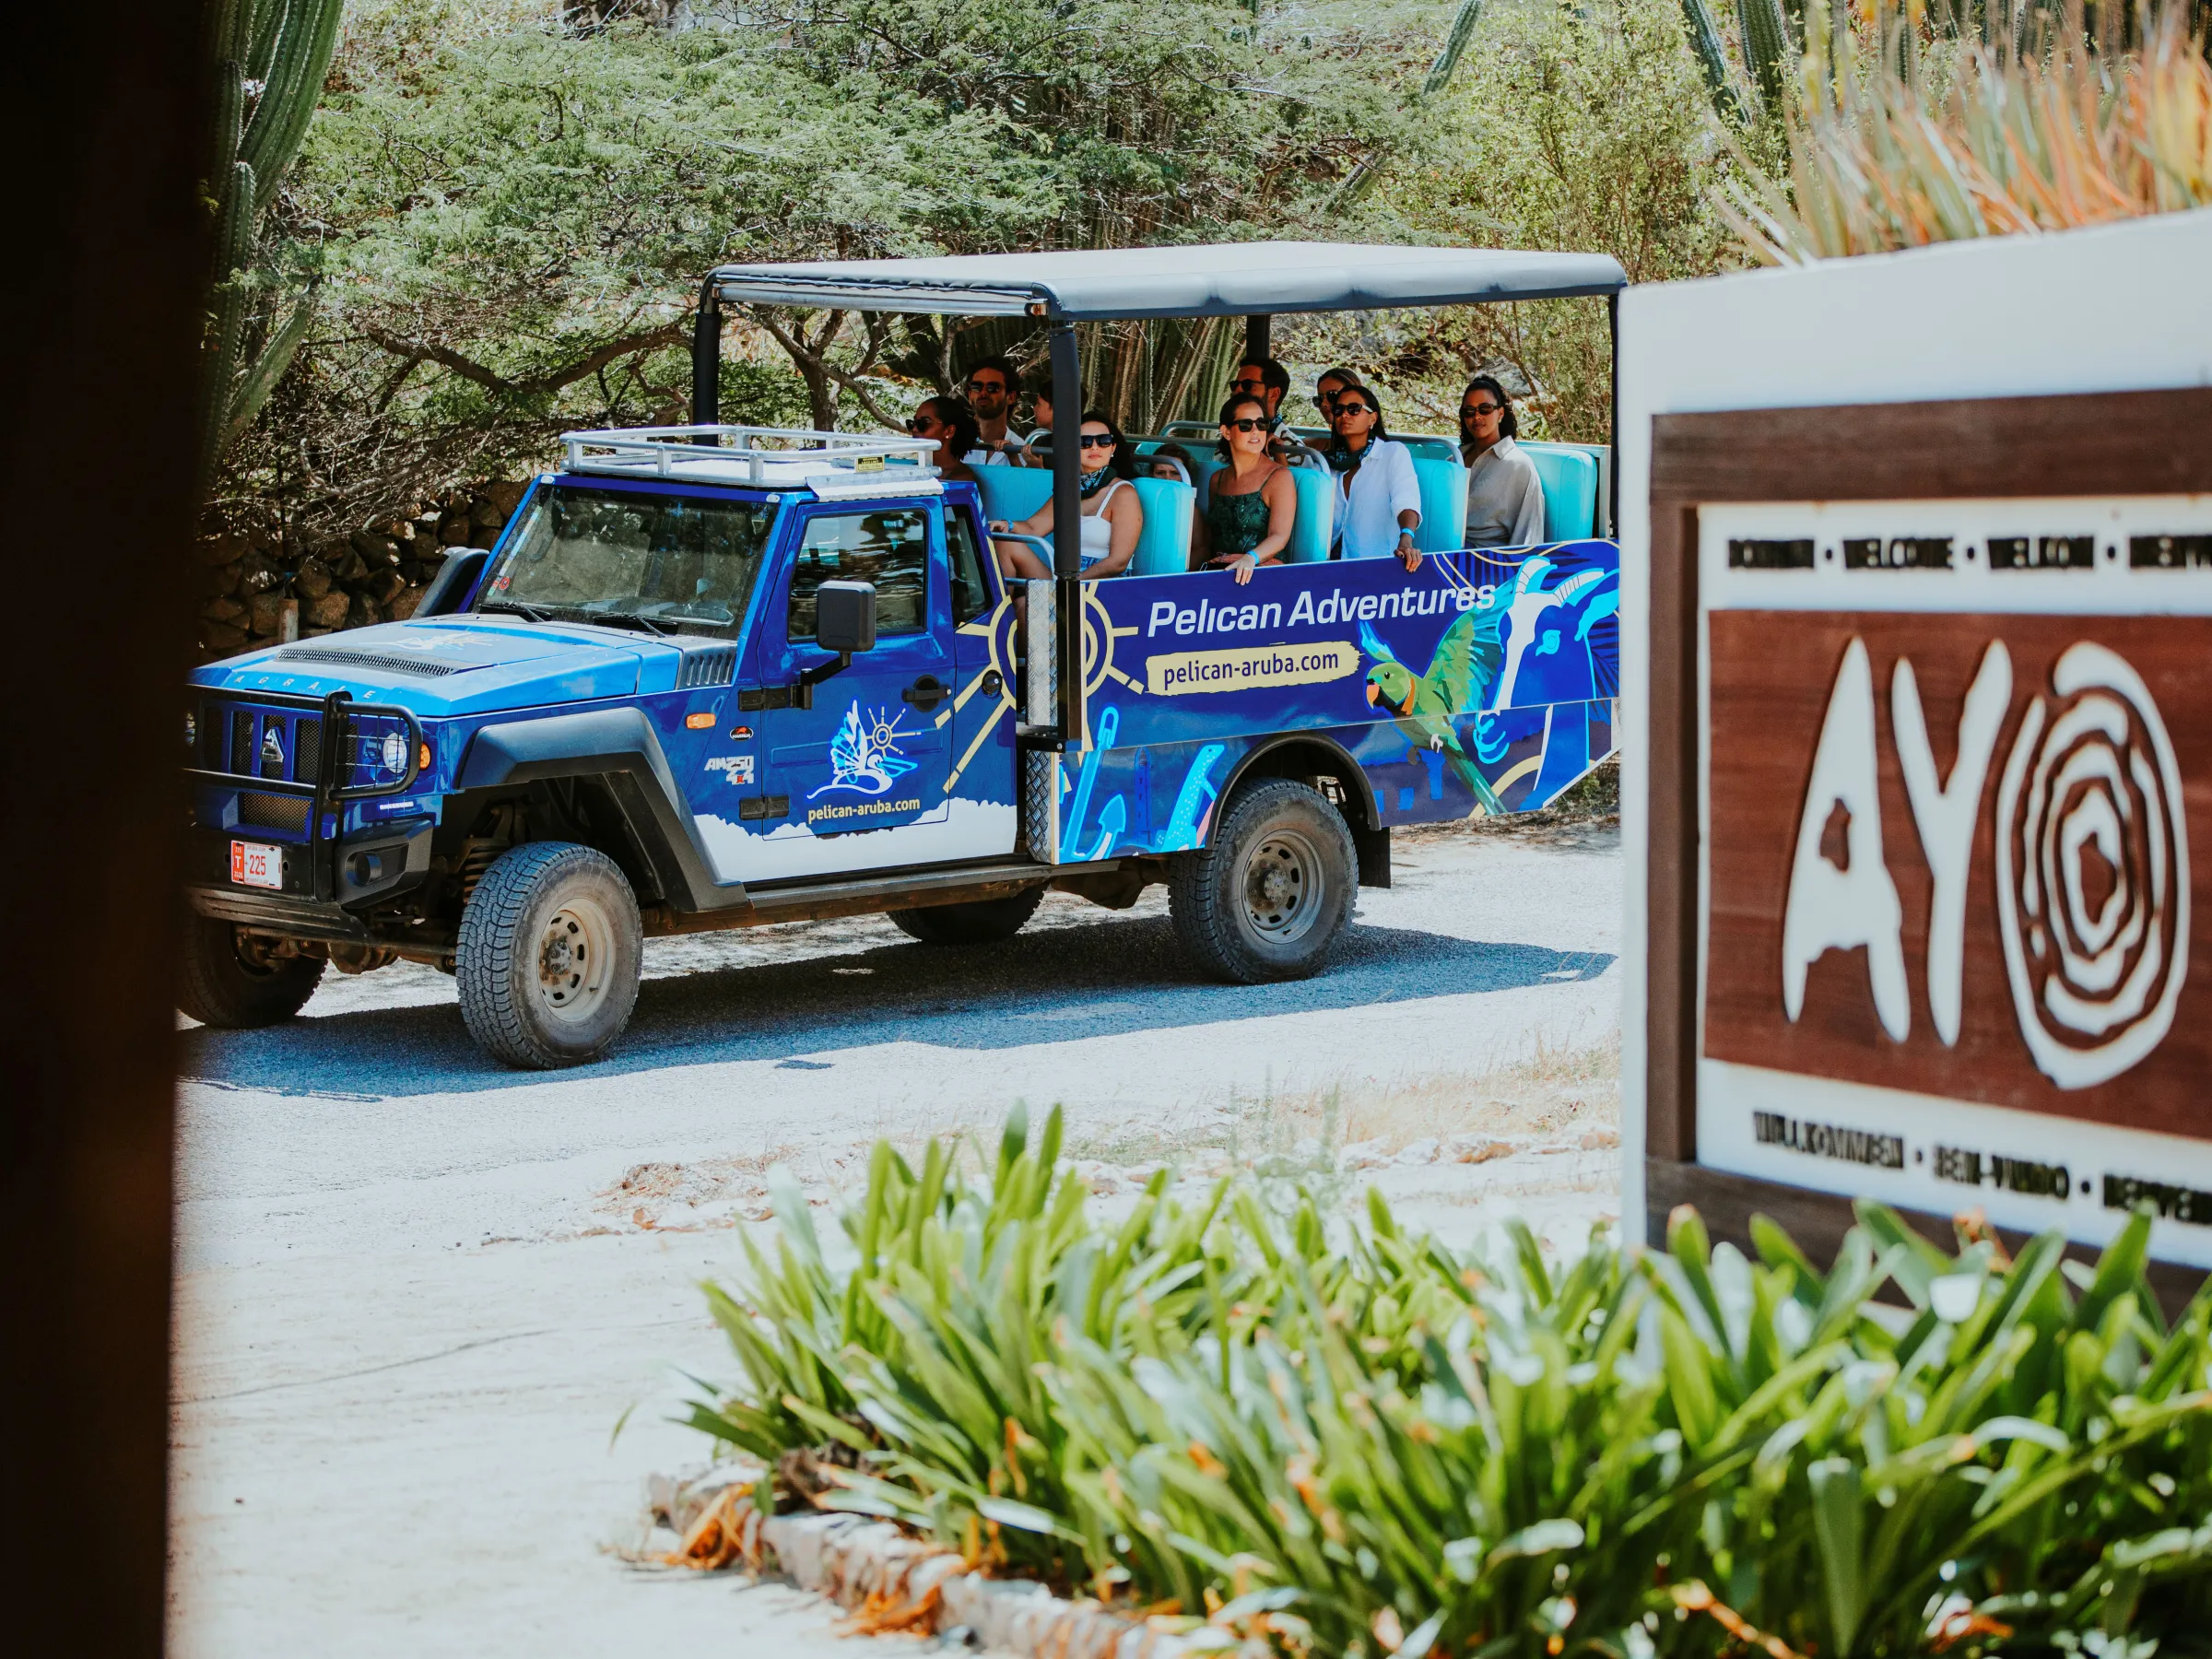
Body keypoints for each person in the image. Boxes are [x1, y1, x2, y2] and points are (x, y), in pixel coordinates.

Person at [990, 412, 1145, 581]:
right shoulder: (1069, 489)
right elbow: (1033, 528)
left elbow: (1118, 563)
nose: (1094, 447)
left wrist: (1071, 584)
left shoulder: (1123, 493)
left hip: (1102, 585)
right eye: (1085, 442)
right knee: (1004, 544)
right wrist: (1007, 524)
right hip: (1063, 578)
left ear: (1112, 448)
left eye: (1103, 441)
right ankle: (1004, 599)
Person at [1191, 393, 1294, 586]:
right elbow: (1213, 536)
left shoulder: (1279, 477)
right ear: (1226, 432)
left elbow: (1279, 536)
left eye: (1261, 424)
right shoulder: (1217, 480)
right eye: (1246, 425)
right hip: (1219, 572)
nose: (1255, 431)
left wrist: (1251, 558)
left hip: (1261, 573)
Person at [1326, 382, 1421, 569]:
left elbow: (1406, 500)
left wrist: (1406, 538)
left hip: (1375, 564)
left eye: (1354, 409)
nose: (1344, 415)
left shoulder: (1392, 452)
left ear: (1373, 418)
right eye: (1339, 410)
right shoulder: (1326, 463)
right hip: (1326, 564)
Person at [1459, 374, 1546, 547]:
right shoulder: (1454, 459)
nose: (1477, 416)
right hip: (1441, 552)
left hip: (1486, 558)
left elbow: (1529, 536)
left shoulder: (1518, 465)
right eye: (1469, 411)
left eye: (1485, 409)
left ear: (1500, 413)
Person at [959, 356, 1026, 465]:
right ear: (970, 396)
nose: (983, 393)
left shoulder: (1021, 452)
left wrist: (1014, 460)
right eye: (976, 386)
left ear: (1010, 397)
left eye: (993, 387)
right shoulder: (955, 444)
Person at [908, 397, 982, 487]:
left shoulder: (961, 479)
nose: (915, 429)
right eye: (914, 423)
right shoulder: (912, 471)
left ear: (949, 431)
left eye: (924, 423)